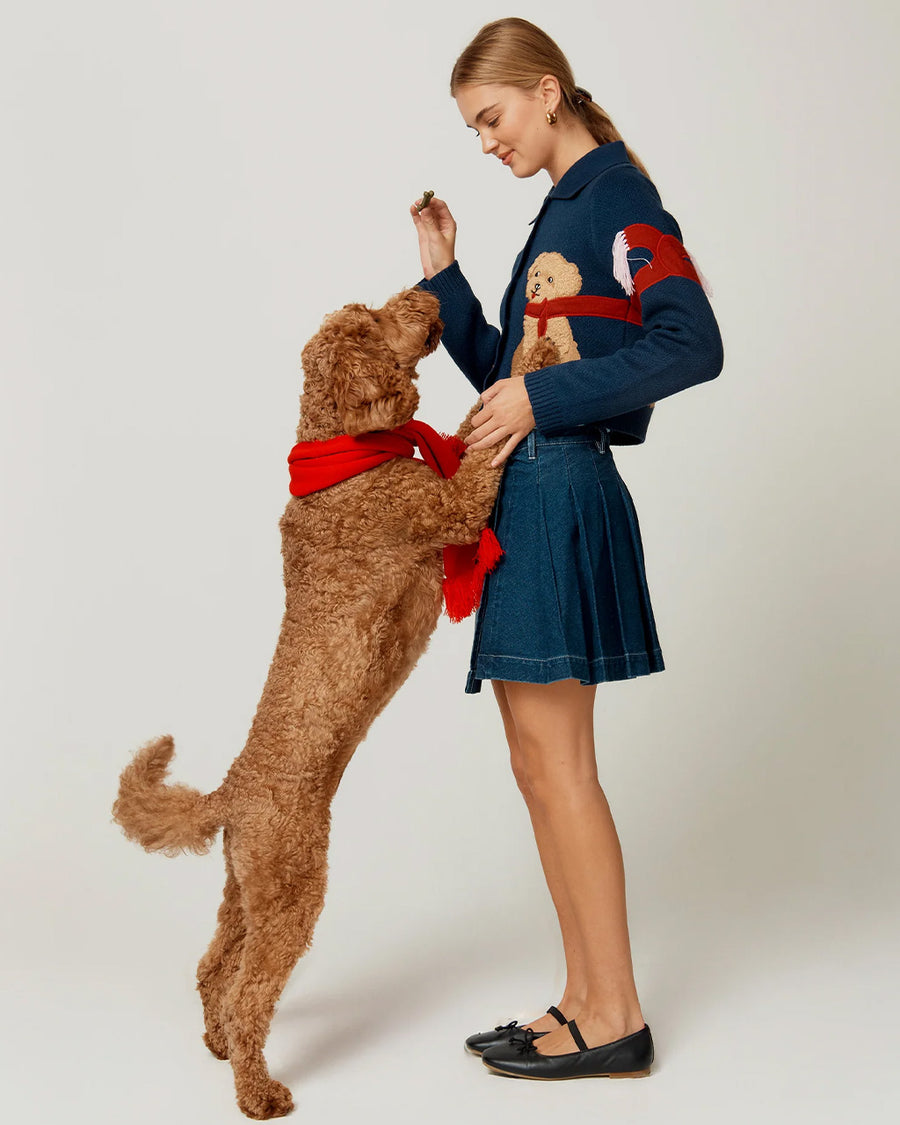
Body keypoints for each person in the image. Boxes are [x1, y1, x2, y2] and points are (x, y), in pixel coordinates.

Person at [408, 17, 723, 1081]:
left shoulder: (620, 201)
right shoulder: (566, 205)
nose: (485, 142)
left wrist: (540, 395)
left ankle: (613, 1015)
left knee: (559, 767)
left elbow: (694, 343)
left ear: (548, 93)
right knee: (540, 767)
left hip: (556, 494)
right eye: (472, 129)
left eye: (490, 118)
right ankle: (588, 999)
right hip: (532, 494)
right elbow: (513, 371)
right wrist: (447, 281)